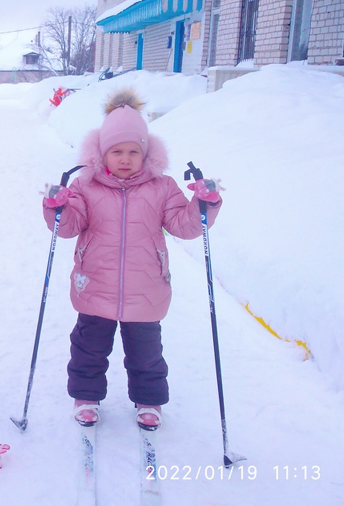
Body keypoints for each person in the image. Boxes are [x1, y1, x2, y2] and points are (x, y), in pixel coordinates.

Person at [42, 88, 223, 430]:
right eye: (116, 151)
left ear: (146, 154)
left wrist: (203, 204)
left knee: (147, 354)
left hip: (145, 289)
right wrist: (57, 208)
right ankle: (86, 397)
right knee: (88, 349)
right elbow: (67, 228)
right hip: (95, 286)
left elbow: (183, 226)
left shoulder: (162, 187)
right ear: (101, 154)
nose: (124, 159)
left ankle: (148, 401)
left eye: (133, 152)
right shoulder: (85, 187)